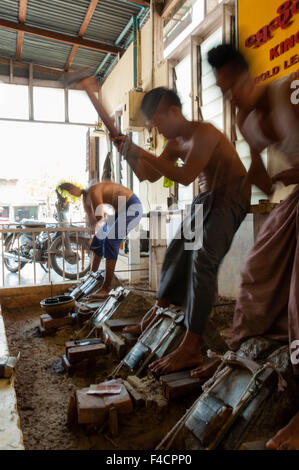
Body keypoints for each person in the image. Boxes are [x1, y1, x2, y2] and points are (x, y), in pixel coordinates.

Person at [194, 43, 299, 450]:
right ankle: (239, 354)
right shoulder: (244, 120)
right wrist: (255, 179)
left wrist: (290, 171)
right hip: (295, 196)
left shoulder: (290, 89)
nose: (230, 97)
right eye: (222, 90)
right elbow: (259, 170)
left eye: (233, 86)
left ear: (251, 76)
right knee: (257, 267)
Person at [112, 87, 251, 376]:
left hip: (231, 195)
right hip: (204, 200)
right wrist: (127, 153)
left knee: (202, 258)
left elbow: (186, 177)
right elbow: (149, 174)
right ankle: (157, 311)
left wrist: (140, 151)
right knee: (178, 251)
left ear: (173, 112)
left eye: (158, 124)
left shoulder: (206, 133)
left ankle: (191, 346)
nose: (158, 131)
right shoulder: (174, 143)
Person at [58, 181, 142, 299]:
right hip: (118, 211)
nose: (72, 192)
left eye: (71, 189)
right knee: (97, 240)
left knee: (110, 240)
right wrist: (88, 235)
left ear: (76, 186)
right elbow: (93, 225)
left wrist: (90, 231)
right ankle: (90, 278)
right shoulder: (85, 198)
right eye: (69, 192)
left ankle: (106, 288)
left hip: (131, 206)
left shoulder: (92, 191)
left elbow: (99, 218)